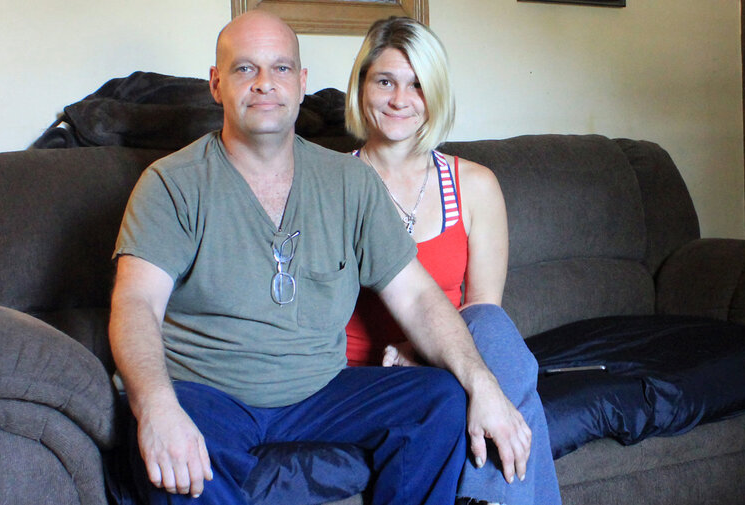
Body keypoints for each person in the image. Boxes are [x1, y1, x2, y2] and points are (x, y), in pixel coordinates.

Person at [108, 10, 531, 505]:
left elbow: (418, 297)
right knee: (173, 465)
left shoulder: (349, 182)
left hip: (321, 390)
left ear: (302, 82)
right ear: (216, 84)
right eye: (245, 68)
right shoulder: (170, 183)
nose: (265, 83)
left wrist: (482, 383)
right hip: (206, 392)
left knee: (439, 401)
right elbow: (135, 303)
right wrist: (156, 407)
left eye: (281, 68)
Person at [344, 17, 562, 505]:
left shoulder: (475, 185)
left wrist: (422, 349)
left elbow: (484, 315)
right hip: (370, 375)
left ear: (437, 94)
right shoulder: (333, 184)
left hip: (449, 357)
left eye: (418, 85)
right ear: (361, 88)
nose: (400, 99)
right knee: (511, 390)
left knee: (493, 330)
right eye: (385, 81)